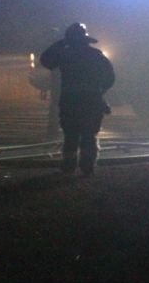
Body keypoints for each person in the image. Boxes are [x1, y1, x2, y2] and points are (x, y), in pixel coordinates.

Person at [39, 22, 115, 176]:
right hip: (91, 102)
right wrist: (100, 91)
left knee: (71, 136)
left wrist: (62, 42)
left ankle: (69, 166)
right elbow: (110, 78)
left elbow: (45, 60)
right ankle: (88, 167)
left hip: (70, 102)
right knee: (88, 135)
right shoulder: (96, 56)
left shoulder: (65, 56)